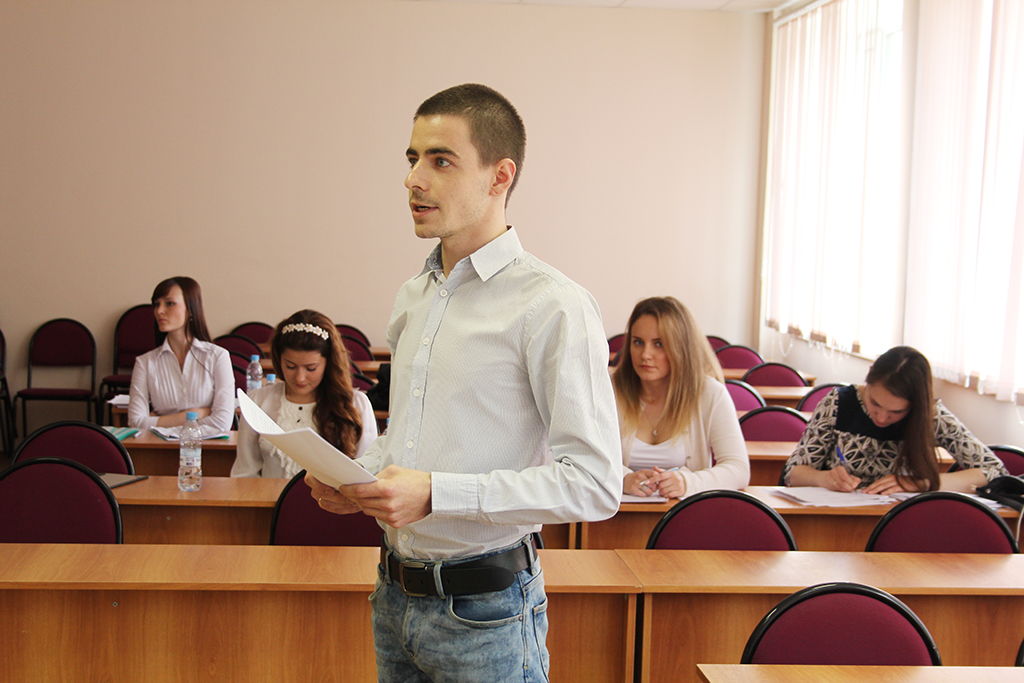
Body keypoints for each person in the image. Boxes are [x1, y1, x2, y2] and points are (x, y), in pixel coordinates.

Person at [307, 83, 621, 682]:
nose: (413, 179)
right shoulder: (413, 296)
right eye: (412, 158)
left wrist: (437, 494)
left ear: (499, 176)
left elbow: (596, 484)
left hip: (488, 613)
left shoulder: (553, 304)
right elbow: (410, 441)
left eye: (441, 160)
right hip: (394, 595)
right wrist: (358, 478)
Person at [784, 345, 1007, 494]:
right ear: (868, 378)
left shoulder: (932, 416)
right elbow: (793, 472)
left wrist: (922, 483)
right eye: (875, 403)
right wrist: (823, 478)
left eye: (897, 412)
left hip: (905, 521)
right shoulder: (838, 403)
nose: (882, 418)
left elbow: (994, 471)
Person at [614, 297, 749, 499]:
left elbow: (738, 469)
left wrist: (688, 482)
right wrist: (623, 478)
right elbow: (581, 458)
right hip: (617, 514)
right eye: (638, 342)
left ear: (681, 348)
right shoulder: (608, 390)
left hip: (686, 512)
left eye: (659, 344)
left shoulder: (710, 393)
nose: (645, 354)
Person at [231, 310, 378, 478]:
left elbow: (369, 473)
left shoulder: (356, 404)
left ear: (328, 364)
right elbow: (245, 473)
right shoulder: (258, 401)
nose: (299, 378)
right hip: (269, 495)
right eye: (291, 366)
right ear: (279, 359)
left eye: (311, 368)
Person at [128, 276, 233, 433]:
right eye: (156, 304)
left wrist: (158, 422)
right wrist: (196, 414)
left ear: (190, 309)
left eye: (169, 303)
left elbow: (222, 422)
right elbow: (136, 422)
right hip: (158, 444)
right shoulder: (145, 362)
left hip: (206, 445)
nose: (159, 311)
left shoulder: (218, 356)